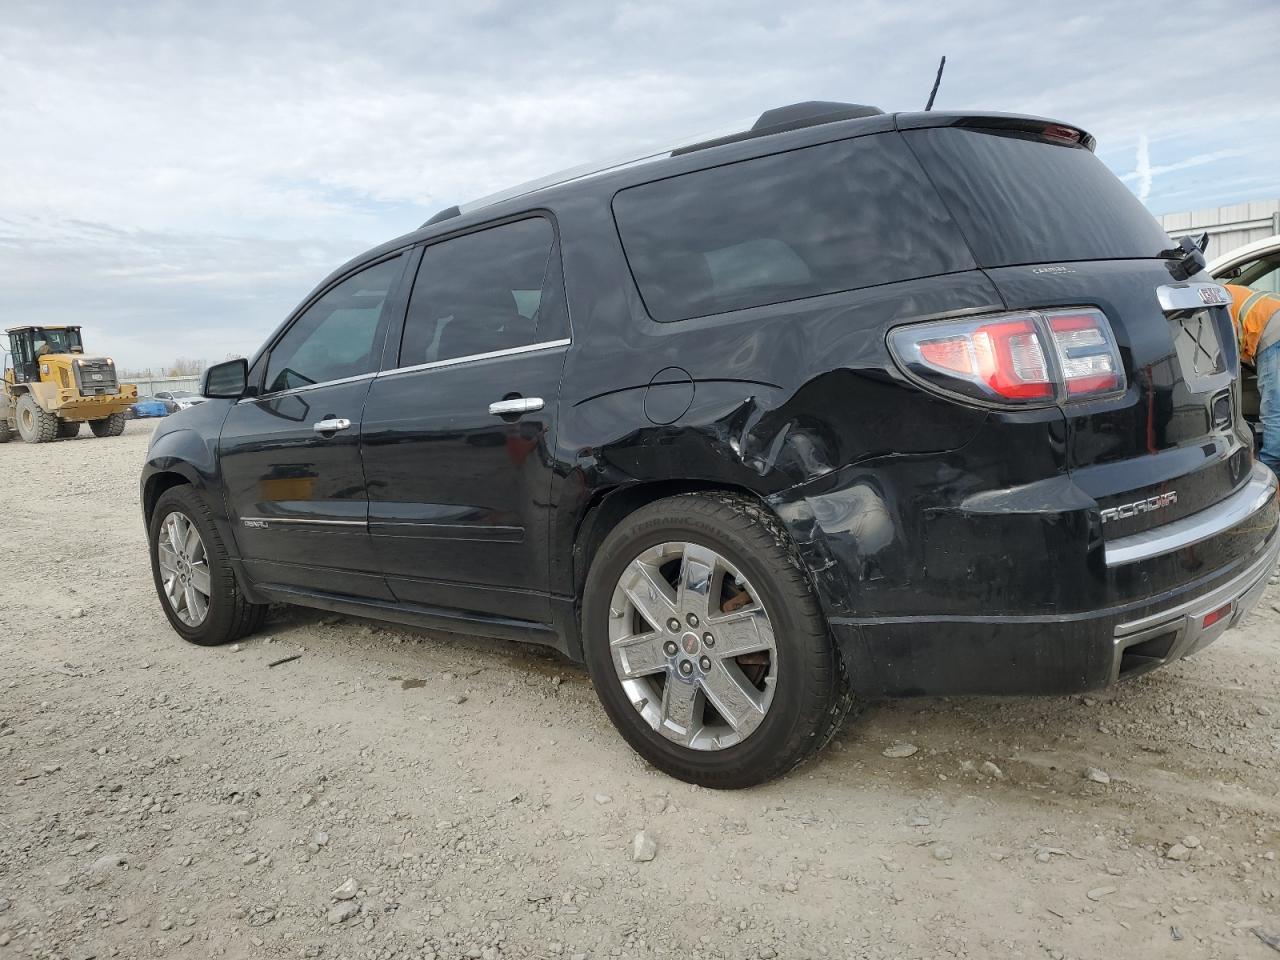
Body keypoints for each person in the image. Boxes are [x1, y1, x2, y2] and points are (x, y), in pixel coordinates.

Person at [1225, 283, 1280, 477]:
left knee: (1273, 412)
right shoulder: (1225, 292)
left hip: (1273, 331)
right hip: (1273, 322)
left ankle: (1271, 474)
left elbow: (1224, 349)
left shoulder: (1210, 303)